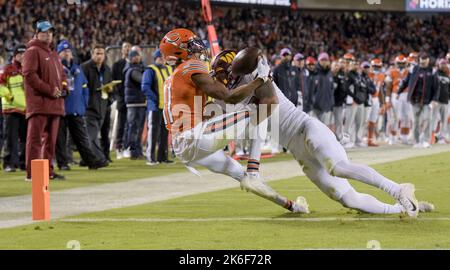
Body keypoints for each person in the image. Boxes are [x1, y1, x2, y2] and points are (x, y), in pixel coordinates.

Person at [213, 48, 434, 218]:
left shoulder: (257, 77)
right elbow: (235, 113)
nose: (222, 81)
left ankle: (398, 190)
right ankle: (402, 208)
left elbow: (266, 104)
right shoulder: (232, 94)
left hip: (306, 128)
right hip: (296, 149)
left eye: (225, 75)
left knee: (337, 168)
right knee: (348, 199)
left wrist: (253, 164)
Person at [160, 29, 308, 214]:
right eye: (190, 44)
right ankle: (254, 171)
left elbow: (200, 107)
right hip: (195, 137)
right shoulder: (191, 67)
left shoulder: (171, 78)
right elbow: (229, 97)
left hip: (183, 147)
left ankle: (292, 206)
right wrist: (260, 80)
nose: (197, 47)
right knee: (260, 109)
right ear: (178, 50)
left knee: (239, 173)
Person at [22, 19, 67, 181]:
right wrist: (50, 90)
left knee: (50, 142)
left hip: (54, 104)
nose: (48, 35)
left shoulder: (52, 53)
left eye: (50, 32)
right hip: (40, 104)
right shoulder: (32, 51)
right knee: (35, 141)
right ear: (37, 34)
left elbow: (61, 74)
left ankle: (47, 171)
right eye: (44, 32)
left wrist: (64, 85)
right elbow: (29, 75)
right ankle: (32, 173)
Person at [55, 40, 109, 171]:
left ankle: (91, 161)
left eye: (68, 51)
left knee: (82, 138)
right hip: (60, 109)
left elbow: (85, 87)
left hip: (76, 109)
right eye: (63, 51)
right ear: (58, 54)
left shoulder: (77, 69)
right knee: (61, 139)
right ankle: (63, 163)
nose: (67, 54)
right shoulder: (56, 68)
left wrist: (83, 104)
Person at [398, 52, 440, 148]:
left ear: (428, 61)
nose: (423, 65)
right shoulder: (413, 69)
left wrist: (435, 99)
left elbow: (437, 88)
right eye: (421, 63)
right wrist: (399, 91)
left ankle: (425, 140)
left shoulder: (433, 71)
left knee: (427, 119)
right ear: (418, 61)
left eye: (424, 63)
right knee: (416, 122)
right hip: (415, 99)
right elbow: (406, 81)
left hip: (427, 100)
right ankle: (416, 141)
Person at [81, 44, 113, 164]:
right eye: (97, 53)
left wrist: (110, 92)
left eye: (101, 54)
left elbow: (109, 84)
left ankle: (85, 159)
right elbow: (82, 87)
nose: (99, 56)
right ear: (92, 54)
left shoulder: (107, 69)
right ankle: (100, 159)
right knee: (92, 136)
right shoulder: (84, 68)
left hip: (102, 106)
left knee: (92, 135)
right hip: (89, 107)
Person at [142, 49, 173, 165]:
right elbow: (145, 87)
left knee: (165, 133)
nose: (162, 59)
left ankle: (162, 157)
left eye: (163, 57)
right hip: (154, 106)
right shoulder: (150, 70)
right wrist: (155, 99)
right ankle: (150, 157)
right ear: (156, 58)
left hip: (166, 107)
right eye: (160, 57)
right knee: (153, 132)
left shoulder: (169, 69)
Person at [0, 44, 27, 172]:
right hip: (11, 109)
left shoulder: (29, 69)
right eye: (20, 54)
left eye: (24, 54)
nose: (22, 56)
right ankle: (9, 163)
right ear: (15, 55)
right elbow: (1, 86)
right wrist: (10, 97)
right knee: (10, 138)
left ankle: (23, 163)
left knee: (25, 138)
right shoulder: (8, 69)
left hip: (26, 110)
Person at [124, 48, 146, 159]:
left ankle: (138, 151)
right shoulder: (133, 70)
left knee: (138, 129)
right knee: (134, 129)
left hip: (139, 102)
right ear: (131, 58)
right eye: (134, 56)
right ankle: (133, 151)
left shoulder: (137, 68)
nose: (136, 58)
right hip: (134, 103)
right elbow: (142, 80)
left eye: (138, 56)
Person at [385, 54, 410, 145]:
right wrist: (387, 100)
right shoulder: (391, 72)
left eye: (402, 63)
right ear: (396, 63)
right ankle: (392, 136)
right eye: (399, 63)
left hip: (407, 95)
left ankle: (404, 136)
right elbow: (388, 87)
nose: (401, 65)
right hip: (395, 95)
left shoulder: (409, 72)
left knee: (407, 117)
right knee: (394, 117)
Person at [112, 42, 131, 159]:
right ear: (122, 50)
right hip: (122, 98)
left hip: (132, 99)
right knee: (121, 124)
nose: (127, 49)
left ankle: (127, 147)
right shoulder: (117, 64)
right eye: (125, 47)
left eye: (129, 47)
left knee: (131, 124)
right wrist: (119, 95)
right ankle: (119, 147)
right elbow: (114, 81)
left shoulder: (136, 64)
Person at [310, 52, 334, 129]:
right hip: (315, 107)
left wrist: (331, 103)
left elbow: (331, 89)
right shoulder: (314, 72)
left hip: (326, 106)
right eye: (322, 60)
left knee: (325, 129)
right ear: (318, 61)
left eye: (326, 60)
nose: (324, 61)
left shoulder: (330, 73)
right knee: (315, 129)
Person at [367, 58, 385, 147]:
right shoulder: (366, 74)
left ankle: (370, 139)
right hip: (367, 98)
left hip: (376, 99)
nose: (376, 68)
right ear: (371, 66)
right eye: (375, 66)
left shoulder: (381, 76)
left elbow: (381, 90)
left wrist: (383, 103)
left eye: (378, 67)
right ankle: (356, 139)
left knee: (373, 120)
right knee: (363, 120)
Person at [432, 58, 449, 143]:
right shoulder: (435, 74)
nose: (443, 65)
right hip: (437, 100)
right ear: (438, 65)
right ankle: (431, 136)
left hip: (445, 100)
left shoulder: (447, 75)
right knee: (434, 119)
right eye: (442, 64)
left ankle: (442, 137)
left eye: (445, 64)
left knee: (444, 120)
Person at [332, 59, 347, 141]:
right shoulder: (329, 75)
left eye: (337, 65)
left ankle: (339, 139)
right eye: (335, 65)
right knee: (329, 123)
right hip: (329, 104)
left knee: (339, 122)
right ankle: (331, 140)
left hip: (339, 103)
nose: (336, 67)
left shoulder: (342, 75)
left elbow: (344, 90)